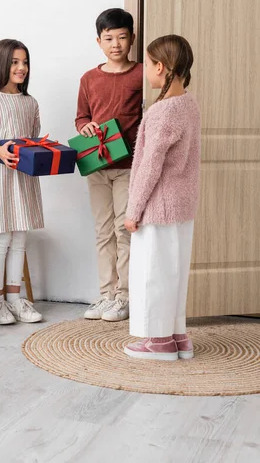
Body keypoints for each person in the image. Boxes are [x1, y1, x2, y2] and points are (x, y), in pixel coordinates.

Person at [124, 35, 201, 361]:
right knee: (175, 271)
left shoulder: (161, 112)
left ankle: (158, 342)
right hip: (183, 207)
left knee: (153, 272)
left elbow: (149, 168)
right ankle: (177, 335)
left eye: (149, 63)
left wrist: (133, 210)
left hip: (158, 206)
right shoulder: (190, 105)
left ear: (160, 66)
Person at [75, 8, 143, 321]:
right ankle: (106, 295)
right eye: (108, 38)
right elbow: (82, 116)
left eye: (121, 36)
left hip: (129, 165)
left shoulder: (142, 74)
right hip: (96, 164)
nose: (115, 43)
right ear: (99, 41)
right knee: (103, 231)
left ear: (131, 38)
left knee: (124, 230)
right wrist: (85, 127)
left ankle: (125, 297)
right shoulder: (89, 78)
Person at [0, 39, 43, 325]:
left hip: (23, 178)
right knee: (2, 239)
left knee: (20, 237)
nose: (21, 67)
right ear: (1, 63)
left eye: (24, 62)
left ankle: (15, 299)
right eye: (15, 62)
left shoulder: (31, 102)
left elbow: (33, 139)